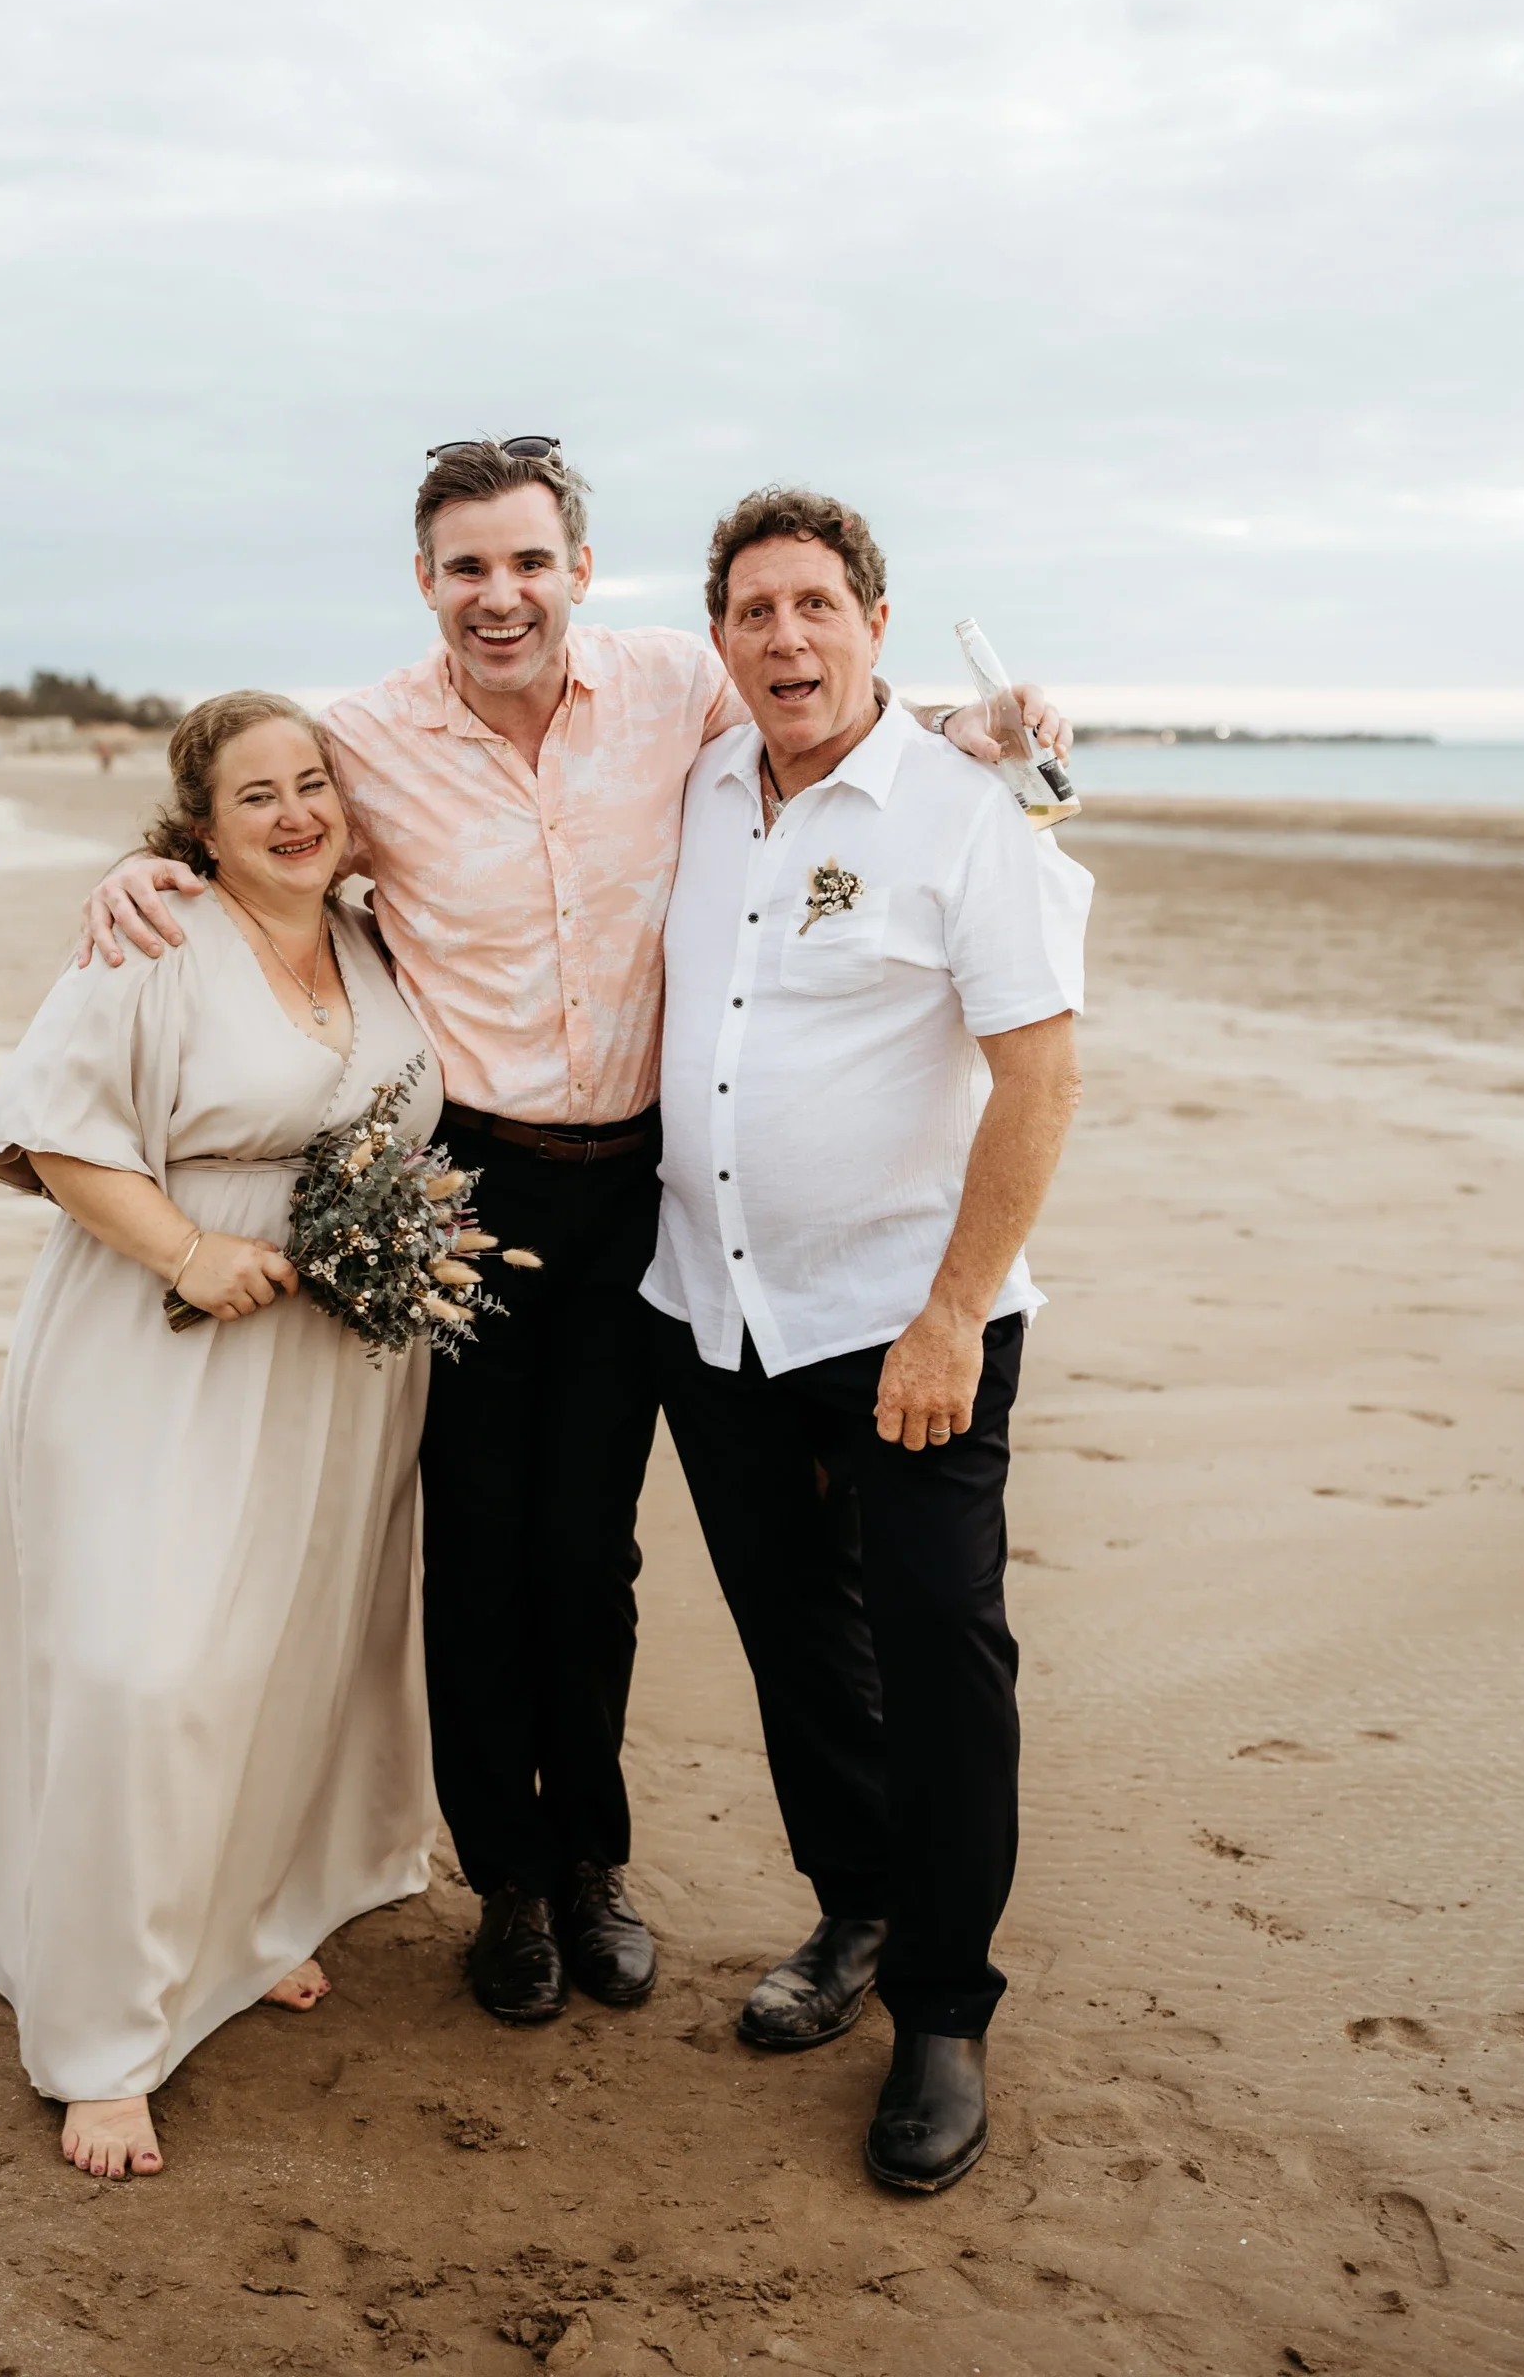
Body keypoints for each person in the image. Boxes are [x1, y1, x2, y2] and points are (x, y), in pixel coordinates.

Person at [80, 439, 1068, 2028]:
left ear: (578, 572)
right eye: (467, 567)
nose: (501, 594)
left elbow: (834, 718)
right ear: (426, 583)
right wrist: (147, 866)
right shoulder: (361, 739)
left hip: (646, 1196)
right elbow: (259, 822)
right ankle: (513, 1888)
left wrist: (976, 731)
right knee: (478, 1551)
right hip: (464, 1191)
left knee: (587, 1554)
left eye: (529, 562)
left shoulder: (678, 685)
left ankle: (597, 1867)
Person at [642, 487, 1089, 2197]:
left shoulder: (971, 807)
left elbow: (1040, 1075)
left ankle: (943, 2012)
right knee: (794, 1633)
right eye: (754, 611)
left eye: (817, 605)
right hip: (717, 1303)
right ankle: (856, 1907)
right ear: (721, 637)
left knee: (940, 1647)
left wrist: (953, 1312)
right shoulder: (700, 784)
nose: (786, 637)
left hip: (910, 1315)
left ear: (876, 626)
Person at [0, 691, 441, 2180]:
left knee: (281, 1650)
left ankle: (239, 1928)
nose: (294, 815)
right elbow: (50, 1130)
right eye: (256, 797)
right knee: (141, 1663)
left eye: (313, 787)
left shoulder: (368, 937)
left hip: (334, 1366)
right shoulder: (150, 938)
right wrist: (183, 1253)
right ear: (198, 829)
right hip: (159, 1350)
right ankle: (100, 2036)